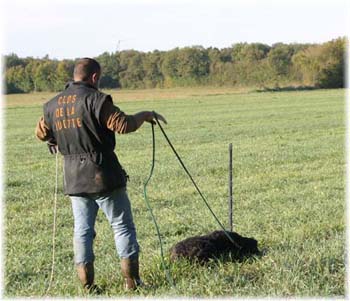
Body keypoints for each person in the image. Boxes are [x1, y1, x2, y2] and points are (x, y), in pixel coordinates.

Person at [35, 57, 167, 291]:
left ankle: (87, 285)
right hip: (103, 175)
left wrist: (56, 138)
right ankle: (131, 282)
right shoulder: (97, 100)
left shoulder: (52, 104)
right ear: (94, 77)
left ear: (75, 75)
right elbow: (123, 125)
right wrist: (145, 115)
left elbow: (41, 133)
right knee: (122, 226)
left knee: (83, 232)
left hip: (74, 180)